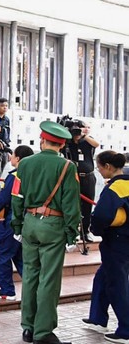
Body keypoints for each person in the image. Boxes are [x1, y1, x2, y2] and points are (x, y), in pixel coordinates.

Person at [11, 121, 80, 344]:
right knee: (49, 279)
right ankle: (43, 332)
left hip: (29, 223)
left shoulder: (24, 164)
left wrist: (17, 225)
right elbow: (71, 204)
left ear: (42, 140)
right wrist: (72, 234)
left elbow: (16, 197)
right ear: (61, 145)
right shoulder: (67, 167)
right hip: (53, 225)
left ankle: (28, 328)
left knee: (30, 275)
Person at [84, 150, 129, 344]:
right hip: (125, 240)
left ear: (108, 167)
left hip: (118, 241)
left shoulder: (115, 188)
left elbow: (101, 215)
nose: (98, 170)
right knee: (102, 277)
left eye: (99, 166)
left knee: (116, 284)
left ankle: (126, 330)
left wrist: (95, 229)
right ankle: (98, 318)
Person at [0, 145, 34, 301]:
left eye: (13, 155)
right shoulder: (34, 175)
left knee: (3, 254)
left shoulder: (15, 176)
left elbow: (4, 198)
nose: (11, 157)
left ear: (18, 158)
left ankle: (7, 289)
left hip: (13, 221)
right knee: (19, 256)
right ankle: (34, 288)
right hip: (28, 221)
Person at [62, 121, 100, 242]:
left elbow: (96, 144)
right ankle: (72, 231)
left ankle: (85, 231)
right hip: (73, 177)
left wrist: (83, 135)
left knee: (88, 205)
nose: (77, 133)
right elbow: (60, 148)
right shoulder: (68, 143)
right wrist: (67, 134)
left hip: (88, 177)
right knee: (72, 204)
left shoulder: (87, 141)